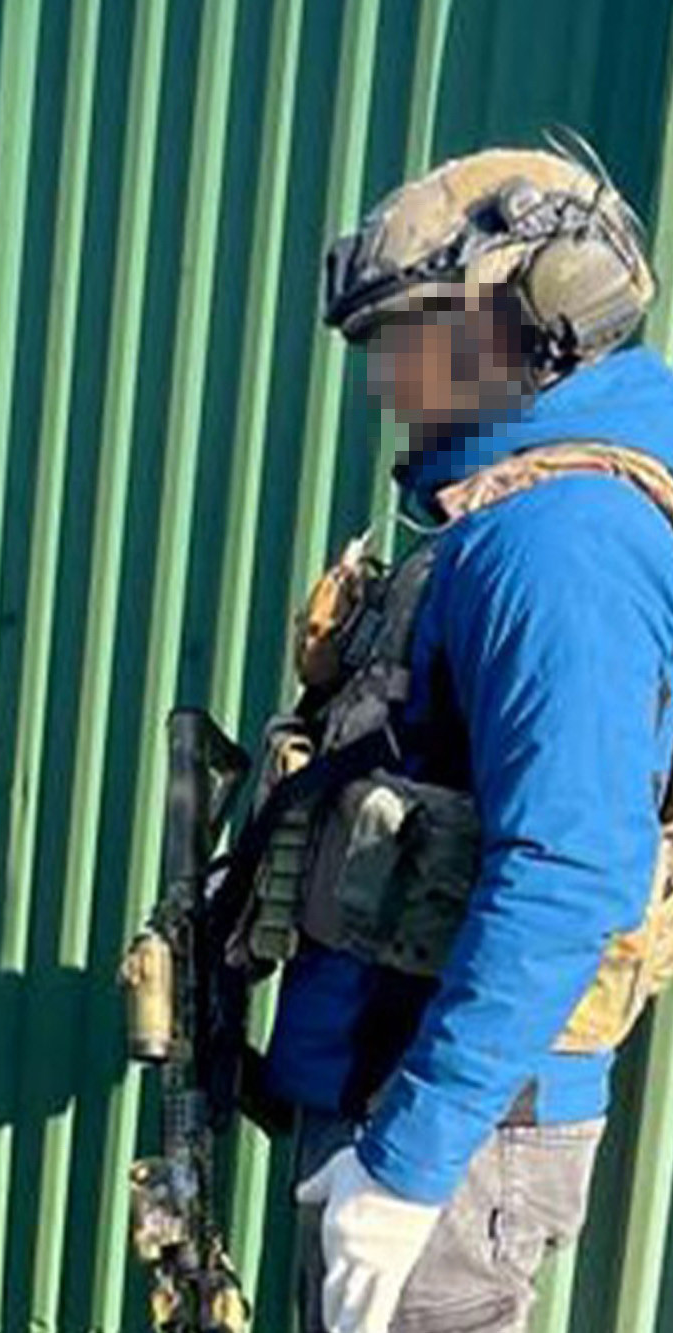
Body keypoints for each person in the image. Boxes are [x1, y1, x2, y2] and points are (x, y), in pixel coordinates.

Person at [247, 145, 673, 1333]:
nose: (380, 380)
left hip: (452, 1131)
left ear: (532, 324)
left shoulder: (559, 545)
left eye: (408, 336)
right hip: (408, 1093)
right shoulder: (509, 514)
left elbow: (568, 868)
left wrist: (406, 1167)